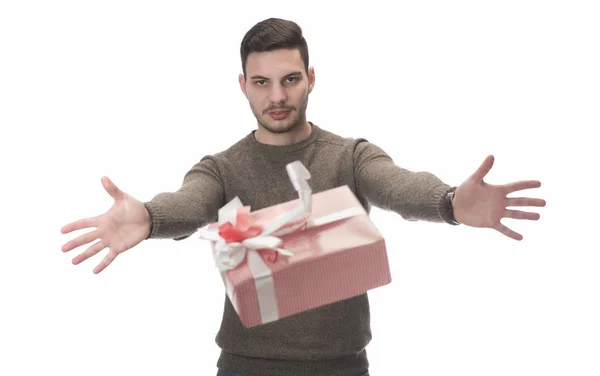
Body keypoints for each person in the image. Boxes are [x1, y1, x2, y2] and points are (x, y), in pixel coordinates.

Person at [60, 17, 546, 376]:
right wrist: (149, 216)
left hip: (342, 366)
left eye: (290, 79)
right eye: (262, 82)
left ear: (311, 79)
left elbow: (397, 183)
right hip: (244, 366)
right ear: (242, 87)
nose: (277, 96)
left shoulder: (349, 156)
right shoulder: (223, 168)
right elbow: (191, 201)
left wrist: (447, 203)